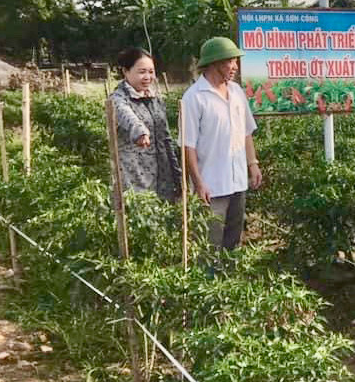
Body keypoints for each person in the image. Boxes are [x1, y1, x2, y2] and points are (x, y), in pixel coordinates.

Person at [181, 37, 263, 249]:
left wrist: (252, 164)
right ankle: (208, 281)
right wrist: (198, 184)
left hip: (237, 182)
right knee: (210, 244)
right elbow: (187, 146)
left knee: (233, 241)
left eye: (236, 61)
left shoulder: (236, 92)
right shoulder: (193, 98)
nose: (235, 66)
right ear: (214, 62)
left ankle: (232, 279)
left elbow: (245, 132)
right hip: (211, 186)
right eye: (230, 61)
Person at [109, 48, 181, 202]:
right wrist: (141, 132)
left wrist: (177, 174)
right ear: (125, 71)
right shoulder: (118, 98)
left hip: (162, 174)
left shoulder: (155, 98)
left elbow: (166, 136)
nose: (148, 77)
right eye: (142, 72)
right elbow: (126, 115)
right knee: (138, 216)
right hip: (134, 174)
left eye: (151, 72)